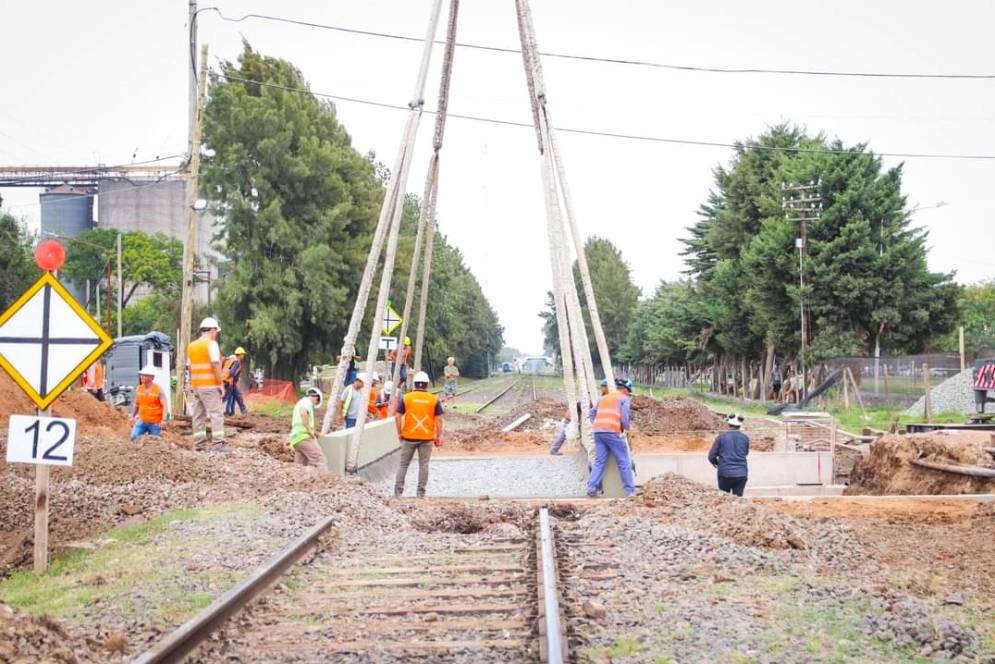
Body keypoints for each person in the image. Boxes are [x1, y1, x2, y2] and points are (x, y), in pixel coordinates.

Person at [393, 371, 444, 498]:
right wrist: (439, 436)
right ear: (427, 385)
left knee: (403, 464)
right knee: (424, 464)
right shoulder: (434, 399)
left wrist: (400, 432)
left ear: (415, 384)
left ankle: (398, 493)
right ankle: (420, 494)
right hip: (426, 438)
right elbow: (439, 419)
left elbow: (398, 417)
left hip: (409, 437)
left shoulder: (406, 398)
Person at [586, 377, 637, 497]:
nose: (629, 394)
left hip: (598, 432)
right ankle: (630, 491)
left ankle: (591, 488)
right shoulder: (624, 399)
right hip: (611, 432)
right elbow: (624, 418)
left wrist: (598, 424)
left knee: (599, 461)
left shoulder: (604, 397)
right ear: (625, 390)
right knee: (624, 461)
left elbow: (592, 413)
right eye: (629, 392)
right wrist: (627, 428)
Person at [186, 317, 226, 452]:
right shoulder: (211, 344)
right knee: (216, 414)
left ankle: (199, 445)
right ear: (212, 330)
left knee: (197, 416)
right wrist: (220, 384)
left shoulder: (192, 346)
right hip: (209, 386)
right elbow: (215, 364)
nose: (216, 334)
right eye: (216, 331)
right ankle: (218, 445)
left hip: (197, 386)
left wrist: (192, 384)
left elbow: (190, 367)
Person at [708, 413, 750, 497]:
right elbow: (745, 453)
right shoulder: (745, 438)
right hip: (741, 474)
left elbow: (711, 456)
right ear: (740, 425)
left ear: (729, 424)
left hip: (725, 474)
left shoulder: (721, 437)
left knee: (724, 500)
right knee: (738, 500)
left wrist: (717, 464)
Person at [288, 387, 327, 469]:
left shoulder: (301, 402)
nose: (314, 404)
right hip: (304, 437)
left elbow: (303, 423)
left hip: (296, 439)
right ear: (316, 397)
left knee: (300, 465)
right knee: (319, 459)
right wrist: (309, 431)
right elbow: (303, 413)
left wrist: (316, 433)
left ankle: (299, 480)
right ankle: (324, 480)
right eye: (316, 402)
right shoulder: (307, 402)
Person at [130, 364, 166, 444]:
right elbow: (136, 404)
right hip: (142, 420)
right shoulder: (139, 388)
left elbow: (165, 406)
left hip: (155, 423)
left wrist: (164, 420)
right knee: (134, 438)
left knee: (154, 443)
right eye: (142, 375)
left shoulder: (158, 390)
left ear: (152, 377)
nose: (142, 377)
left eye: (145, 375)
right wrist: (132, 416)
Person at [223, 347, 248, 416]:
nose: (243, 356)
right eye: (242, 354)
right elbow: (231, 372)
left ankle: (243, 410)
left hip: (227, 381)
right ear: (239, 355)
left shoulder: (231, 360)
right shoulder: (237, 362)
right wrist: (235, 377)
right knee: (225, 397)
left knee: (237, 396)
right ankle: (217, 410)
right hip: (230, 382)